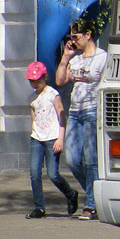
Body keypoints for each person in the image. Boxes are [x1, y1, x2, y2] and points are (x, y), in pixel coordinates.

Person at [56, 20, 108, 220]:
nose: (73, 41)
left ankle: (92, 204)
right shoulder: (75, 59)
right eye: (71, 37)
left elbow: (105, 86)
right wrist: (65, 58)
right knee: (72, 159)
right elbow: (60, 81)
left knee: (91, 159)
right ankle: (95, 193)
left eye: (76, 37)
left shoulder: (102, 58)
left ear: (88, 35)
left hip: (93, 111)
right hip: (75, 111)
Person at [25, 61, 78, 219]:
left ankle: (71, 194)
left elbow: (62, 115)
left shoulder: (52, 94)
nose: (35, 84)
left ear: (45, 78)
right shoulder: (31, 98)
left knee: (53, 174)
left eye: (38, 80)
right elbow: (33, 117)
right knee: (34, 173)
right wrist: (33, 131)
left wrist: (60, 138)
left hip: (52, 138)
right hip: (37, 138)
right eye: (32, 81)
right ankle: (39, 207)